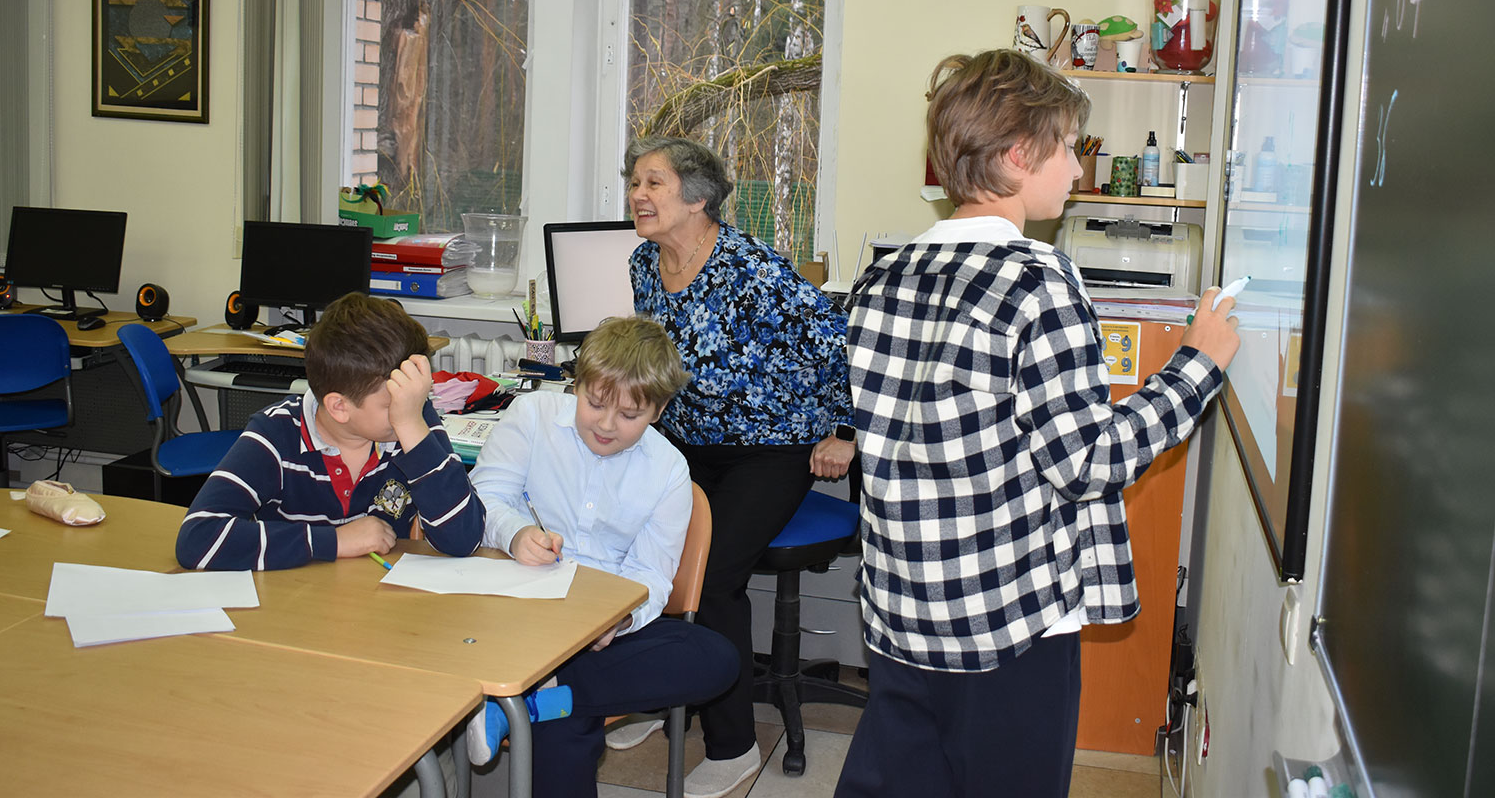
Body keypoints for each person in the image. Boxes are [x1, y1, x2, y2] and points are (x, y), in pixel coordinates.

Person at [834, 50, 1241, 798]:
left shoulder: (882, 276)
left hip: (900, 610)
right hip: (1005, 622)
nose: (1079, 171)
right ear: (1020, 155)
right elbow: (1088, 463)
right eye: (1070, 149)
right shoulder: (1039, 279)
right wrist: (1197, 366)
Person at [617, 136, 855, 798]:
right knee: (644, 549)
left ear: (697, 198)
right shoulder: (644, 263)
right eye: (635, 182)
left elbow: (835, 339)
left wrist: (845, 431)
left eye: (654, 183)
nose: (638, 195)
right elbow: (657, 358)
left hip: (771, 445)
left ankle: (733, 745)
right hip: (686, 440)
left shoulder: (747, 266)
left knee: (712, 575)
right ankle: (660, 696)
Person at [464, 316, 738, 798]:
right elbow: (485, 498)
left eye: (630, 414)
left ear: (658, 410)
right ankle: (545, 695)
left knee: (717, 659)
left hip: (597, 631)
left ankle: (528, 699)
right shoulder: (532, 416)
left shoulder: (668, 470)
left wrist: (621, 619)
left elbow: (651, 576)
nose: (607, 425)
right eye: (594, 404)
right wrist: (516, 534)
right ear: (577, 384)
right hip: (517, 610)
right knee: (568, 726)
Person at [175, 291, 483, 571]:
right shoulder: (276, 434)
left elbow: (464, 540)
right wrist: (334, 541)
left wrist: (414, 430)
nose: (408, 407)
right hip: (296, 601)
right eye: (394, 401)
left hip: (382, 602)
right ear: (339, 407)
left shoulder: (412, 418)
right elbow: (197, 539)